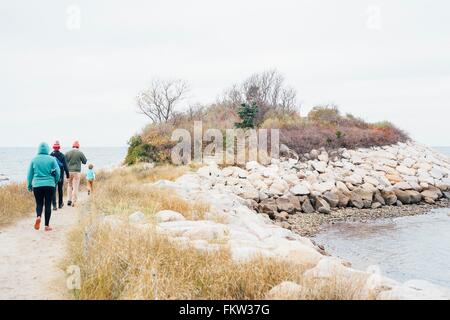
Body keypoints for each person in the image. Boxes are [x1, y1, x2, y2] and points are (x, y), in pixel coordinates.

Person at [27, 142, 60, 231]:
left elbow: (29, 174)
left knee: (39, 203)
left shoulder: (34, 160)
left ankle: (38, 216)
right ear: (47, 149)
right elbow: (58, 172)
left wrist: (29, 185)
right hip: (50, 185)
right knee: (48, 204)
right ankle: (46, 226)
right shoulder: (52, 159)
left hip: (37, 185)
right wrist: (55, 181)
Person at [65, 140, 87, 207]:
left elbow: (64, 161)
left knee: (69, 185)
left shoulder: (67, 153)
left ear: (73, 146)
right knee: (75, 187)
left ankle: (69, 200)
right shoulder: (80, 153)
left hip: (68, 171)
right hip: (77, 172)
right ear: (78, 146)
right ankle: (74, 202)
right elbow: (85, 161)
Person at [50, 141, 70, 210]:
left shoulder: (50, 155)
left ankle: (54, 205)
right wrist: (67, 175)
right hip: (60, 175)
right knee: (60, 190)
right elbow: (65, 166)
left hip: (52, 175)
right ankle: (60, 204)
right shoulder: (62, 155)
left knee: (53, 190)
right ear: (59, 148)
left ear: (53, 148)